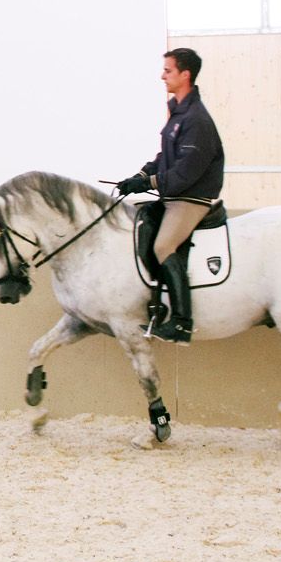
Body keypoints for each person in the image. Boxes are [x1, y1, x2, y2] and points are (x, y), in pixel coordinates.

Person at [115, 48, 225, 344]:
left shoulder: (197, 119)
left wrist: (150, 181)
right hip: (176, 194)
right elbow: (167, 157)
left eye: (168, 71)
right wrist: (140, 175)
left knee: (164, 245)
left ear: (185, 74)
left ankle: (181, 322)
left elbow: (185, 173)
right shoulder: (179, 114)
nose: (162, 76)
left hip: (192, 198)